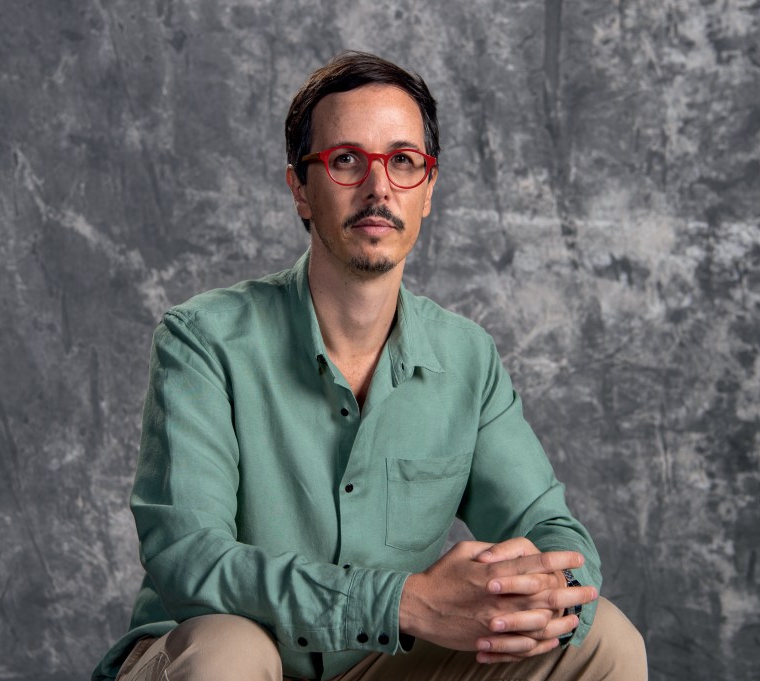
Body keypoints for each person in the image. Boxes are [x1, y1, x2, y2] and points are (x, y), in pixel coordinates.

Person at [92, 51, 647, 681]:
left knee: (604, 641)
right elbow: (192, 563)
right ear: (300, 188)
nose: (379, 188)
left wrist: (538, 594)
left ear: (428, 190)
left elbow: (552, 531)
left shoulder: (467, 359)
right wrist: (403, 602)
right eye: (347, 160)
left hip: (379, 666)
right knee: (230, 652)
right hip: (209, 657)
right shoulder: (202, 341)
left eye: (404, 162)